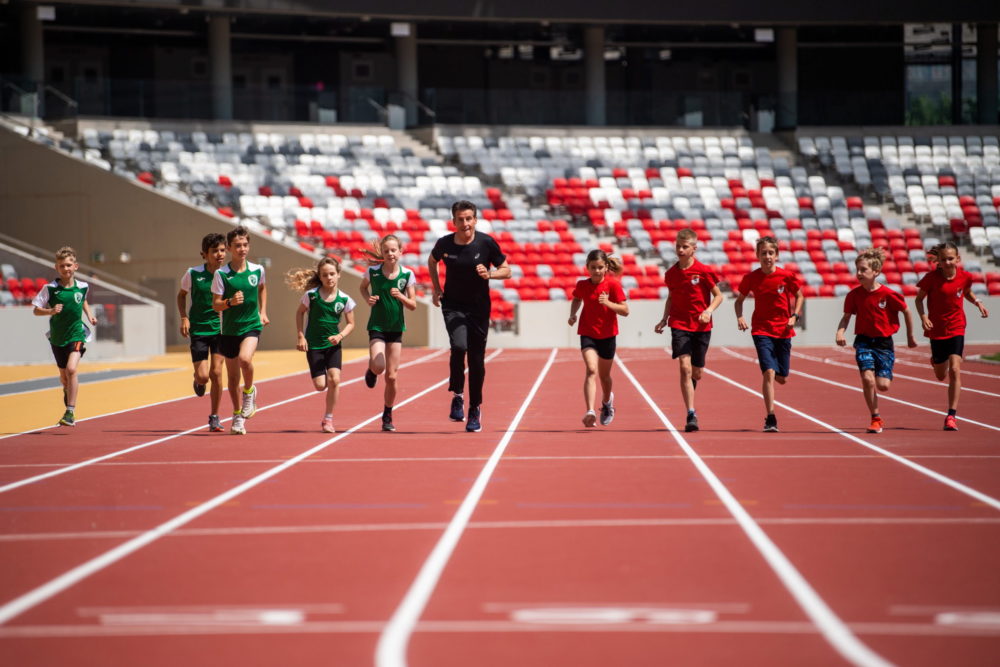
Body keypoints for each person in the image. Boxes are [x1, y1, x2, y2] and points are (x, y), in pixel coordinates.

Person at [428, 200, 511, 433]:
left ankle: (475, 408)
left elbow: (508, 270)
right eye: (460, 219)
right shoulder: (444, 244)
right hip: (453, 305)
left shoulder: (486, 243)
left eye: (468, 218)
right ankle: (457, 394)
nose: (465, 223)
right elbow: (431, 261)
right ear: (453, 221)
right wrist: (436, 289)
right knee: (459, 346)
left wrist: (490, 274)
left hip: (479, 309)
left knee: (476, 361)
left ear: (475, 219)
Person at [835, 248, 918, 434]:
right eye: (857, 269)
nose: (858, 274)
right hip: (863, 341)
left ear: (876, 272)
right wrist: (840, 332)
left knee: (883, 385)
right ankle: (875, 417)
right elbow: (846, 317)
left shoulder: (889, 295)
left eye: (863, 270)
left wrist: (910, 337)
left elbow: (906, 311)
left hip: (884, 343)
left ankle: (878, 408)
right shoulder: (853, 295)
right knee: (867, 378)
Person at [914, 241, 989, 431]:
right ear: (937, 261)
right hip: (937, 329)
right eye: (943, 259)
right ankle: (936, 361)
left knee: (955, 369)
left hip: (957, 327)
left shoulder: (965, 277)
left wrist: (978, 302)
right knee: (941, 375)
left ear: (958, 259)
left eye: (950, 258)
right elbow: (918, 299)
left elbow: (967, 292)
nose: (947, 262)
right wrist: (923, 317)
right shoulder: (931, 279)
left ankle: (951, 416)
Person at [654, 228, 723, 432]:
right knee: (684, 367)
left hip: (701, 326)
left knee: (697, 372)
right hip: (679, 324)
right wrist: (664, 319)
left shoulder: (704, 271)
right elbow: (671, 297)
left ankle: (691, 388)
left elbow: (719, 296)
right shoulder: (671, 274)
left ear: (694, 248)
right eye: (678, 246)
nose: (680, 250)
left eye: (685, 247)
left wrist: (708, 311)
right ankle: (691, 413)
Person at [734, 236, 804, 433]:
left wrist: (794, 316)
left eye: (771, 253)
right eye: (763, 253)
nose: (767, 256)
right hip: (761, 330)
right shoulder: (751, 278)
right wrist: (740, 317)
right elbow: (738, 301)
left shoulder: (786, 276)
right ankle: (771, 417)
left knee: (781, 376)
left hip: (783, 330)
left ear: (777, 255)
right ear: (757, 255)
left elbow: (799, 295)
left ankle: (780, 375)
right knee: (768, 373)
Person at [212, 225, 269, 435]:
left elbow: (262, 288)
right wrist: (229, 302)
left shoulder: (258, 270)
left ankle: (250, 391)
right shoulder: (222, 274)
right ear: (228, 248)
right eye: (237, 245)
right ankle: (237, 416)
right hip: (229, 330)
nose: (242, 249)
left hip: (251, 325)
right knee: (233, 378)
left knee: (245, 360)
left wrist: (263, 312)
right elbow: (215, 304)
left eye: (245, 245)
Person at [32, 246, 97, 427]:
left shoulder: (83, 286)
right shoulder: (50, 289)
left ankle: (70, 412)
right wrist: (50, 311)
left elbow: (82, 299)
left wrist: (90, 315)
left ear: (75, 266)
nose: (66, 268)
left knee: (71, 370)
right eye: (62, 266)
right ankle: (67, 390)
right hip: (57, 337)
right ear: (56, 268)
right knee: (64, 378)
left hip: (77, 333)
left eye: (69, 265)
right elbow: (36, 310)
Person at [289, 256, 355, 433]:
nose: (329, 278)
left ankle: (328, 419)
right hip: (314, 346)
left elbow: (351, 324)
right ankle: (326, 411)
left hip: (333, 346)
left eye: (332, 274)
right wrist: (300, 336)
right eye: (325, 275)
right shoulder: (311, 296)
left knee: (335, 379)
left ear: (339, 274)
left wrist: (340, 336)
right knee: (320, 386)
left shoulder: (345, 299)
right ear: (320, 276)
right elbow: (299, 313)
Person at [360, 234, 417, 432]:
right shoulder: (373, 272)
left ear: (400, 252)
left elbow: (413, 305)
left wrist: (401, 296)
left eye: (393, 250)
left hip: (396, 329)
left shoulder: (407, 275)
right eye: (386, 251)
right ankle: (371, 369)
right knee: (379, 366)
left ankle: (387, 414)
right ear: (382, 254)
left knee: (392, 377)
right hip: (377, 326)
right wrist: (368, 299)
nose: (390, 254)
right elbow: (362, 288)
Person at [568, 249, 629, 427]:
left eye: (600, 267)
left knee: (604, 377)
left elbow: (625, 310)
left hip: (608, 335)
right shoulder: (582, 285)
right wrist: (573, 314)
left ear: (606, 268)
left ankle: (607, 403)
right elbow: (577, 299)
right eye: (593, 267)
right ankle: (590, 411)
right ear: (587, 267)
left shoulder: (613, 285)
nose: (596, 271)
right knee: (591, 370)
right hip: (588, 333)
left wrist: (608, 303)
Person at [177, 232, 227, 432]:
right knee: (204, 376)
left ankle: (214, 416)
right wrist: (184, 317)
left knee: (216, 372)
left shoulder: (228, 274)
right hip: (199, 329)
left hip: (221, 330)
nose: (219, 254)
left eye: (223, 250)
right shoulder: (193, 274)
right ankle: (197, 379)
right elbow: (181, 296)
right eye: (214, 251)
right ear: (204, 254)